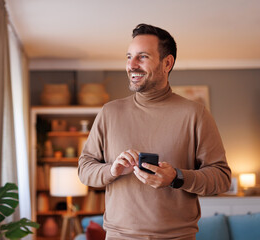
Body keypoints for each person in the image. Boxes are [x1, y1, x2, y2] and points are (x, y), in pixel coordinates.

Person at [78, 23, 231, 240]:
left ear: (167, 63)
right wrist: (113, 170)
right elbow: (84, 169)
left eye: (142, 57)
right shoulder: (109, 112)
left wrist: (177, 177)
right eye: (129, 57)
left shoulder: (195, 113)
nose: (131, 65)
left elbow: (221, 177)